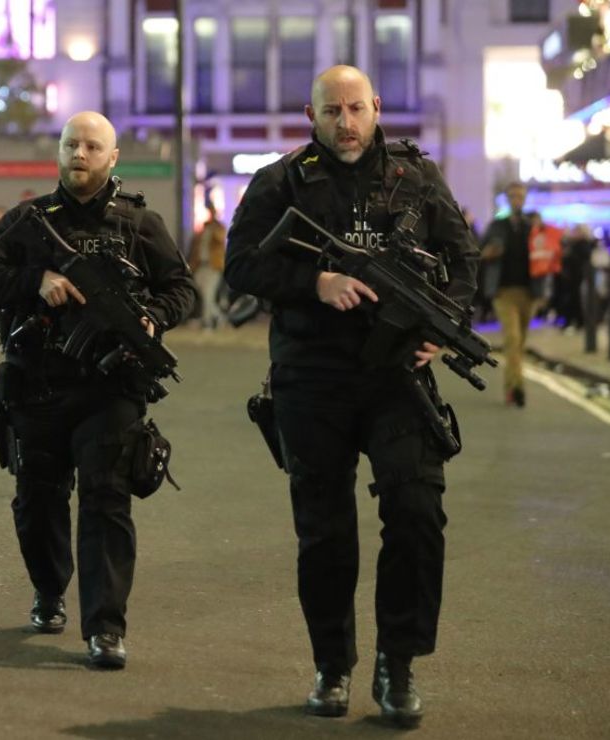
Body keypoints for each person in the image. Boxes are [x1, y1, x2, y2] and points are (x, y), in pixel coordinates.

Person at [224, 65, 478, 727]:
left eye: (355, 108)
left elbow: (462, 260)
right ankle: (332, 665)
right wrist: (317, 283)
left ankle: (399, 663)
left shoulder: (415, 177)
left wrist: (441, 330)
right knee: (325, 532)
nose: (345, 122)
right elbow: (241, 265)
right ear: (312, 115)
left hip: (398, 378)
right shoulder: (280, 182)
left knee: (418, 511)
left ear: (376, 108)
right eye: (332, 110)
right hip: (312, 376)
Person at [0, 110, 196, 669]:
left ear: (112, 157)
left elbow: (182, 288)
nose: (80, 154)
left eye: (93, 146)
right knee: (38, 501)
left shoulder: (140, 224)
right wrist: (34, 281)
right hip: (37, 382)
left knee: (105, 498)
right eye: (72, 144)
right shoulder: (27, 221)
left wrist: (153, 317)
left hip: (110, 386)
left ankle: (105, 626)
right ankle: (50, 590)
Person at [480, 183, 539, 407]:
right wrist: (489, 253)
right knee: (512, 339)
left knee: (519, 342)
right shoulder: (497, 226)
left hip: (528, 292)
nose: (517, 200)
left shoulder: (531, 227)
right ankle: (518, 388)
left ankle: (510, 386)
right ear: (507, 198)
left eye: (520, 196)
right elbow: (480, 252)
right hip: (503, 292)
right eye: (513, 196)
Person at [186, 203, 227, 330]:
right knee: (203, 294)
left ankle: (207, 322)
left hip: (213, 266)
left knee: (209, 294)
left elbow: (220, 239)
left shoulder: (219, 227)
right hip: (201, 265)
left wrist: (214, 226)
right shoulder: (203, 228)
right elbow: (196, 248)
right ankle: (218, 316)